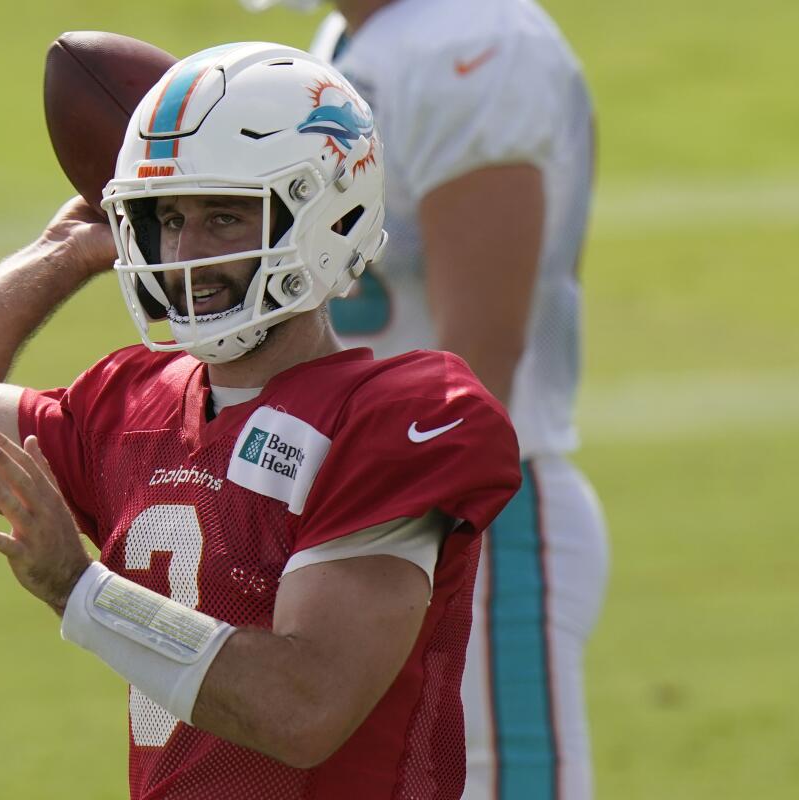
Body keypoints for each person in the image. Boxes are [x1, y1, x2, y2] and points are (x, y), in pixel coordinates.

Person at [0, 42, 521, 799]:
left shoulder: (402, 414)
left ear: (326, 213)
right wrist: (63, 251)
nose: (184, 253)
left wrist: (83, 591)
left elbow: (306, 708)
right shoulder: (126, 406)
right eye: (168, 217)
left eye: (225, 217)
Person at [240, 2, 610, 798]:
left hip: (468, 518)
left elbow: (480, 369)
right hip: (355, 517)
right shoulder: (349, 37)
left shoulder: (470, 41)